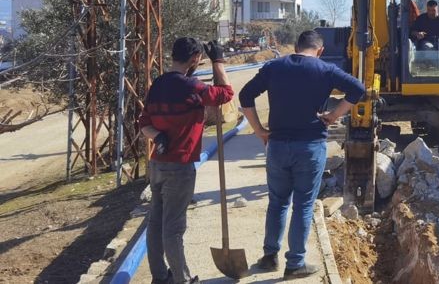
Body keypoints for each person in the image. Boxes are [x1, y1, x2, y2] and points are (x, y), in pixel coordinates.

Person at [239, 30, 366, 279]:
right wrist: (334, 115)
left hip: (276, 146)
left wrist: (259, 130)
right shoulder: (325, 69)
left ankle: (269, 257)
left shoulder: (274, 67)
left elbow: (245, 95)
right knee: (303, 206)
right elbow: (357, 89)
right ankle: (295, 263)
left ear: (296, 47)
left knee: (277, 202)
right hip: (309, 147)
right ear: (319, 50)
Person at [138, 37, 234, 284]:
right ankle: (182, 279)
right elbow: (226, 94)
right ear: (194, 60)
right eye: (199, 59)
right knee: (173, 228)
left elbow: (144, 124)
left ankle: (160, 277)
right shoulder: (193, 88)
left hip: (157, 164)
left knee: (156, 224)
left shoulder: (157, 85)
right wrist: (219, 61)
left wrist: (159, 136)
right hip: (179, 168)